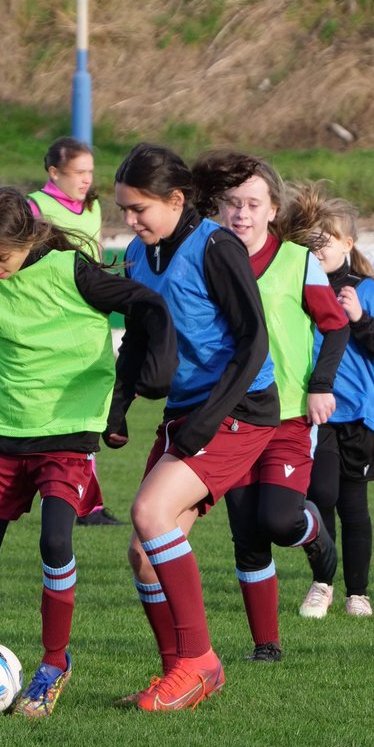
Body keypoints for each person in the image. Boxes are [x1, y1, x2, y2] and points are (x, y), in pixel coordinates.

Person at [0, 186, 174, 717]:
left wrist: (137, 384)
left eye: (2, 257)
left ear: (28, 238)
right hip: (9, 430)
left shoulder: (72, 272)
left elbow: (148, 305)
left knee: (55, 539)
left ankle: (53, 664)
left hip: (70, 432)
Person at [107, 142, 278, 711]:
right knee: (142, 550)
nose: (130, 222)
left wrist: (205, 423)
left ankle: (201, 662)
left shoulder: (216, 246)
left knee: (150, 514)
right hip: (191, 410)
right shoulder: (137, 255)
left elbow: (254, 343)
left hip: (241, 408)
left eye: (139, 210)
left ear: (176, 200)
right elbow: (137, 334)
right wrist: (119, 407)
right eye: (124, 211)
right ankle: (177, 672)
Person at [191, 151, 348, 662]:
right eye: (232, 203)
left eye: (253, 204)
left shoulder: (297, 261)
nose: (241, 213)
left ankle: (313, 532)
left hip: (286, 417)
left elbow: (335, 326)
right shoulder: (209, 257)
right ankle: (266, 643)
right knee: (247, 533)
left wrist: (321, 383)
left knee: (279, 520)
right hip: (232, 417)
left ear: (273, 209)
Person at [278, 182, 374, 618]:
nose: (317, 251)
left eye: (325, 242)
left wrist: (360, 319)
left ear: (348, 244)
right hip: (312, 412)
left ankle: (358, 593)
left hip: (358, 415)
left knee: (354, 507)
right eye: (309, 243)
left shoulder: (369, 291)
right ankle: (321, 584)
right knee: (321, 497)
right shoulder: (294, 284)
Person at [29, 136, 122, 527]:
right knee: (62, 411)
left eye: (90, 172)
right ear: (54, 172)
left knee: (88, 405)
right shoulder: (34, 207)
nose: (87, 179)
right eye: (78, 172)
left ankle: (84, 501)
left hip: (89, 317)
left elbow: (96, 255)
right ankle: (80, 501)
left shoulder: (93, 206)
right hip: (53, 321)